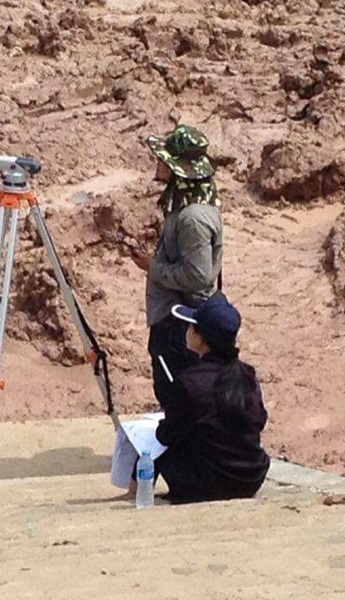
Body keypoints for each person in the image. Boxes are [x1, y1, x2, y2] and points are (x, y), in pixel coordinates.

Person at [153, 294, 270, 503]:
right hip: (251, 477)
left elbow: (167, 435)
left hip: (207, 484)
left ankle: (134, 493)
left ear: (199, 338)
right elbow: (259, 420)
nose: (186, 331)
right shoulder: (247, 375)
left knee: (154, 447)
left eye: (190, 327)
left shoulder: (189, 382)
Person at [145, 124, 223, 411]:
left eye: (162, 159)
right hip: (180, 320)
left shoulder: (192, 218)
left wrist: (152, 268)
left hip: (179, 324)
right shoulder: (192, 205)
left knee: (178, 397)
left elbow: (198, 276)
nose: (157, 163)